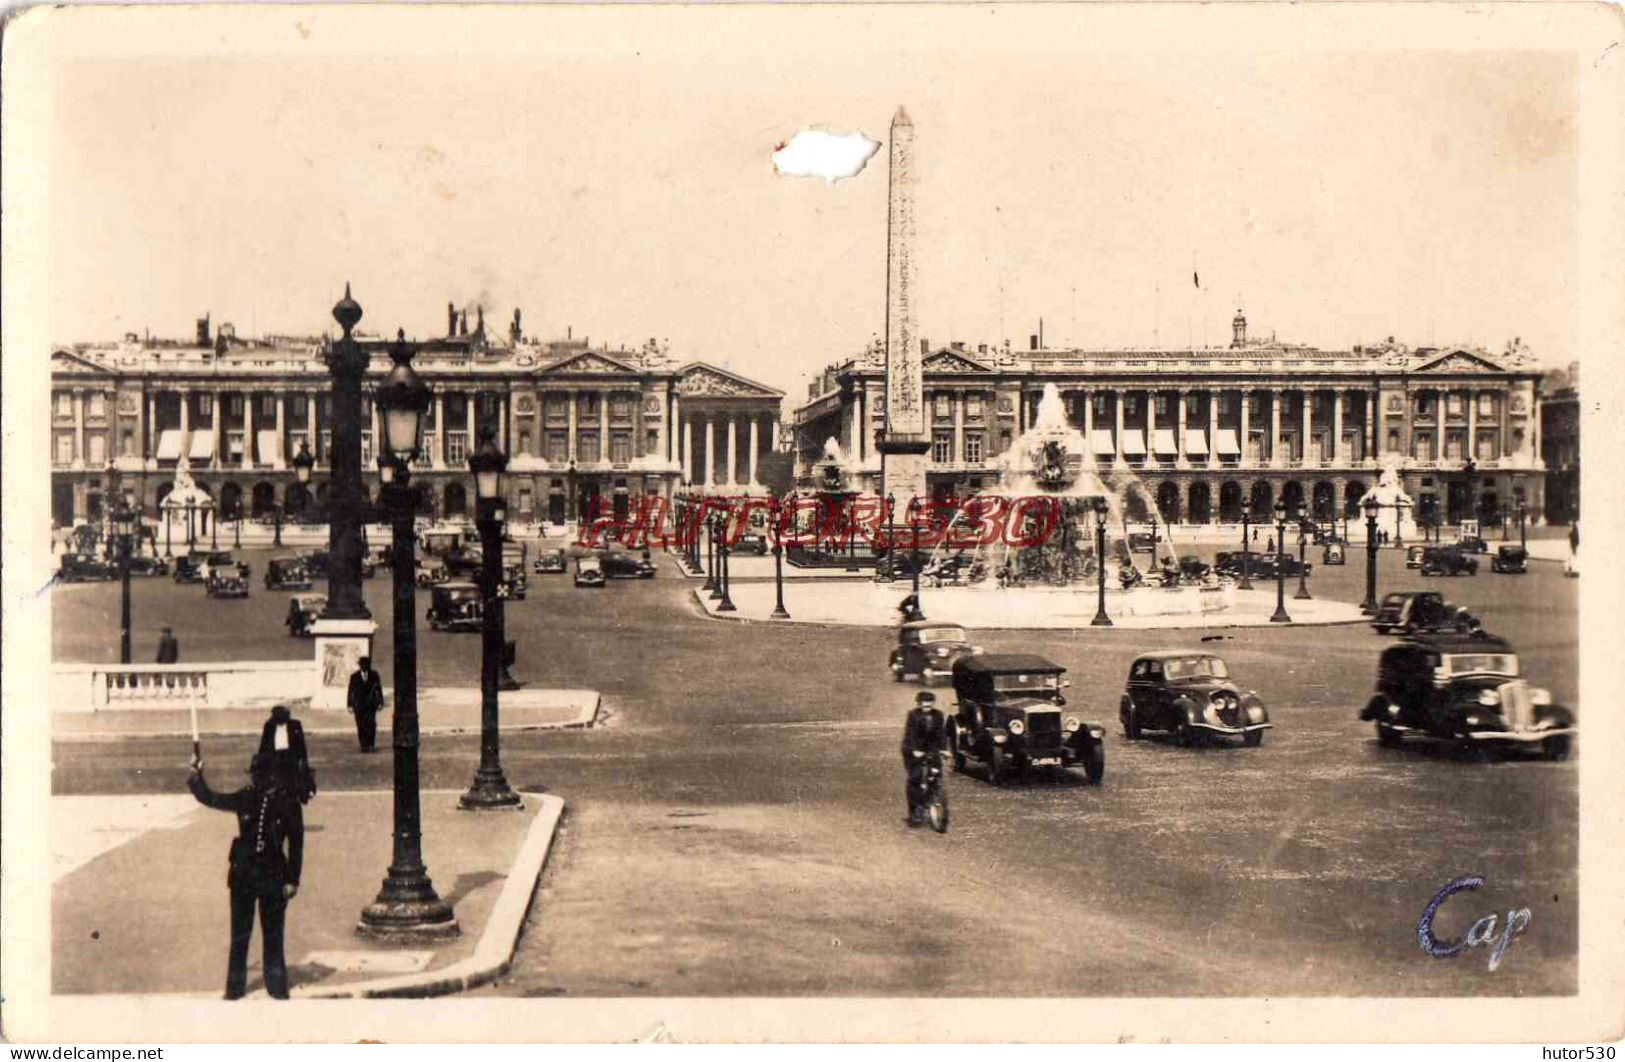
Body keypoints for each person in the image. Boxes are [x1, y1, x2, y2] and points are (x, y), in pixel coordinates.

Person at [187, 750, 303, 1000]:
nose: (258, 780)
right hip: (243, 875)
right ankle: (235, 989)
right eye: (257, 775)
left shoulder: (288, 803)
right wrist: (197, 776)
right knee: (240, 935)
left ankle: (277, 987)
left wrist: (293, 879)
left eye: (263, 775)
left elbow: (296, 844)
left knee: (273, 935)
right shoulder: (246, 797)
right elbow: (212, 798)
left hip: (273, 875)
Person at [899, 691, 946, 828]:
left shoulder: (938, 715)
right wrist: (914, 750)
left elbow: (941, 734)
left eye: (930, 706)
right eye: (925, 706)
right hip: (913, 749)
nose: (927, 709)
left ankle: (934, 799)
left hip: (931, 748)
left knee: (936, 773)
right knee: (915, 777)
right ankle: (914, 811)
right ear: (919, 705)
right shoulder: (913, 715)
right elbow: (911, 733)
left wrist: (944, 749)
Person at [257, 704, 315, 803]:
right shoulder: (269, 726)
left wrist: (303, 761)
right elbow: (264, 744)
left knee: (291, 779)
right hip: (275, 755)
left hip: (290, 755)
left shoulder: (295, 725)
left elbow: (301, 744)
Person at [347, 656, 385, 752]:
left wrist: (380, 702)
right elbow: (350, 691)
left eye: (366, 665)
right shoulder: (354, 677)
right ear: (359, 666)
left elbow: (379, 689)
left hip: (371, 705)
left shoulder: (374, 675)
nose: (364, 667)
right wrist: (350, 705)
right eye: (362, 665)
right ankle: (364, 745)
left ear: (369, 665)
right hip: (359, 706)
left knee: (371, 725)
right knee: (361, 725)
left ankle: (371, 745)